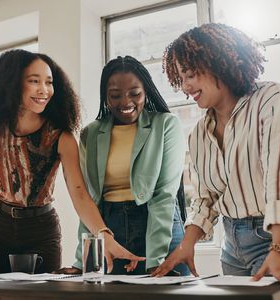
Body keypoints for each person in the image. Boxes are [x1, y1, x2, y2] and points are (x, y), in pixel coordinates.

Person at [0, 50, 144, 275]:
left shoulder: (62, 137)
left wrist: (104, 235)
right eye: (34, 81)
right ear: (13, 83)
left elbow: (80, 193)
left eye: (49, 82)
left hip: (42, 229)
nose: (44, 89)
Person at [152, 23, 280, 299]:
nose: (185, 87)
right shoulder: (198, 134)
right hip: (232, 245)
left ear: (218, 63)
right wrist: (186, 245)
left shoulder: (271, 99)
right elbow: (205, 198)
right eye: (180, 79)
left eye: (189, 75)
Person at [60, 55, 190, 275]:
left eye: (134, 93)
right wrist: (82, 261)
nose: (125, 102)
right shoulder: (90, 134)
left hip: (160, 227)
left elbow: (163, 195)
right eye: (115, 95)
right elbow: (91, 201)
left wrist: (155, 260)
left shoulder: (166, 125)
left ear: (146, 91)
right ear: (106, 97)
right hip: (111, 233)